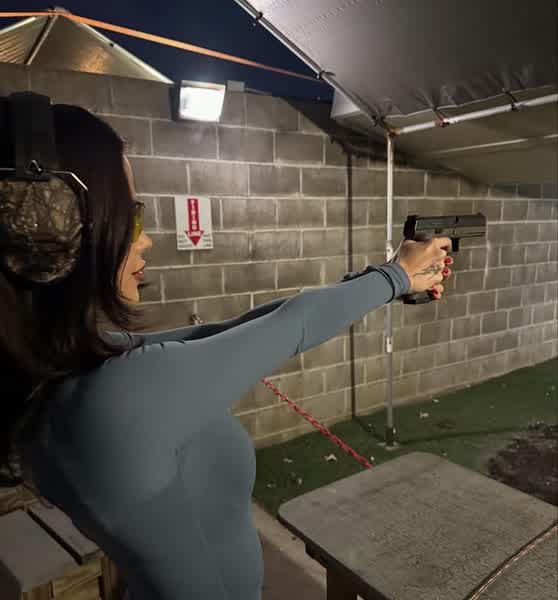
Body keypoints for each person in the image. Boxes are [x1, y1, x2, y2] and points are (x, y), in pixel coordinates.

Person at [0, 96, 453, 600]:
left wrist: (384, 280)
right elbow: (292, 327)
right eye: (129, 216)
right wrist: (394, 276)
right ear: (50, 233)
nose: (144, 240)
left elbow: (230, 330)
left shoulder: (59, 378)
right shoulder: (115, 396)